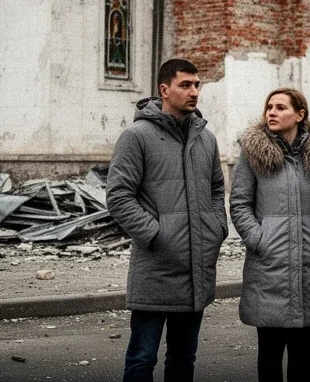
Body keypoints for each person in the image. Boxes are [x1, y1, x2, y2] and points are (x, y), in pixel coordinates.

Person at [106, 58, 229, 382]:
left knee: (183, 360)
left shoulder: (207, 139)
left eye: (197, 85)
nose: (194, 92)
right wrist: (158, 235)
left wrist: (217, 227)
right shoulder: (137, 136)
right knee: (142, 359)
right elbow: (118, 196)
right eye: (185, 85)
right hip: (156, 268)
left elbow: (217, 188)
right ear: (164, 89)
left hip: (196, 269)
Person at [230, 87, 310, 382]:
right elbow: (240, 203)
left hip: (309, 263)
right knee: (269, 353)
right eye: (269, 107)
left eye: (280, 107)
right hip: (268, 266)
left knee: (302, 353)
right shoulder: (253, 154)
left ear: (299, 115)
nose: (272, 112)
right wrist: (258, 239)